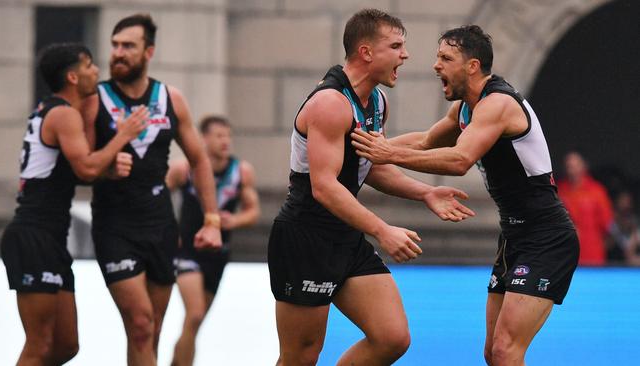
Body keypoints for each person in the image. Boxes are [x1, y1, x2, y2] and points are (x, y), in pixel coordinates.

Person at [351, 25, 580, 365]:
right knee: (492, 354)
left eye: (445, 58)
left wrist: (386, 154)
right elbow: (427, 140)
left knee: (506, 350)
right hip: (515, 236)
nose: (435, 66)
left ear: (472, 66)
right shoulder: (465, 109)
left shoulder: (498, 104)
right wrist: (360, 148)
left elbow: (460, 160)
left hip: (547, 238)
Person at [268, 9, 475, 366]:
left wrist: (424, 192)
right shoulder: (330, 103)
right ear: (366, 52)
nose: (405, 55)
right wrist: (383, 230)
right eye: (396, 46)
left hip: (345, 236)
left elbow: (371, 167)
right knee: (300, 357)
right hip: (305, 238)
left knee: (392, 337)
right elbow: (324, 188)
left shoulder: (377, 102)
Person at [81, 14, 222, 366]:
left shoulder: (169, 98)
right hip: (115, 226)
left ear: (149, 52)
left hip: (160, 225)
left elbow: (199, 161)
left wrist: (211, 219)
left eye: (128, 46)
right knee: (140, 323)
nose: (118, 53)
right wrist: (107, 167)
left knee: (152, 330)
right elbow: (81, 167)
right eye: (114, 45)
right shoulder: (95, 99)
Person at [0, 43, 148, 365]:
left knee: (66, 345)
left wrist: (108, 169)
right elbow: (87, 168)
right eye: (89, 65)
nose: (96, 71)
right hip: (33, 235)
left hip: (51, 238)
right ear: (72, 76)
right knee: (38, 345)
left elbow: (81, 171)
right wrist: (123, 135)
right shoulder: (63, 114)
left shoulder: (56, 111)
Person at [167, 115, 260, 366]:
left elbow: (253, 212)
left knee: (193, 324)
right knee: (194, 314)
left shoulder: (241, 171)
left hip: (218, 254)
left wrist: (235, 221)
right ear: (203, 139)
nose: (225, 141)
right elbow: (160, 196)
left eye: (228, 136)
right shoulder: (183, 169)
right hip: (187, 251)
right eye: (219, 136)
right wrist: (168, 230)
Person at [557, 151, 613, 265]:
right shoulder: (559, 190)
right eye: (569, 166)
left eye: (575, 165)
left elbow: (608, 226)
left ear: (584, 166)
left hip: (593, 256)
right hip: (565, 255)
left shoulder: (597, 191)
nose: (571, 170)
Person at [606, 191, 640, 265]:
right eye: (623, 201)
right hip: (611, 263)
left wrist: (632, 230)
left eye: (628, 202)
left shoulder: (634, 222)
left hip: (630, 265)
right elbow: (606, 245)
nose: (625, 205)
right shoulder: (611, 221)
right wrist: (618, 230)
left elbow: (632, 249)